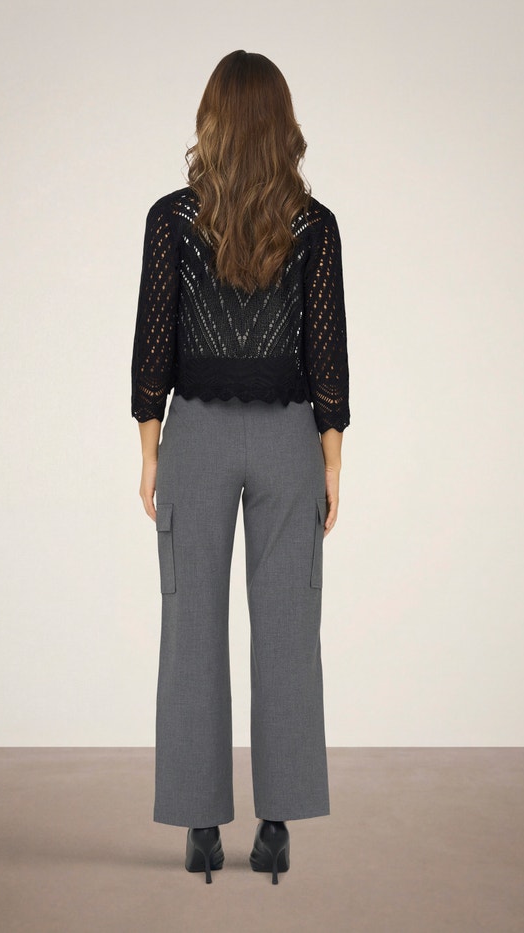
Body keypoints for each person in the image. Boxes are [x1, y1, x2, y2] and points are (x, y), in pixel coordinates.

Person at [131, 49, 350, 885]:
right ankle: (277, 827)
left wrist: (150, 452)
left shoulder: (171, 220)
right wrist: (332, 460)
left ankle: (199, 829)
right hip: (291, 438)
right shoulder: (314, 225)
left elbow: (154, 341)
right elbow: (327, 353)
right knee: (291, 628)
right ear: (282, 125)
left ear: (213, 122)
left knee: (190, 626)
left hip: (197, 437)